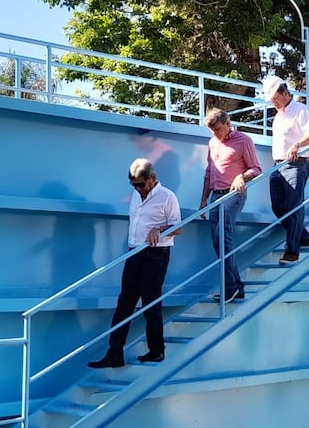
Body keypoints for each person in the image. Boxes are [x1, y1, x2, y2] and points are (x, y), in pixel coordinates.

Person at [88, 158, 182, 368]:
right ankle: (114, 354)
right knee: (124, 304)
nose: (138, 188)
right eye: (134, 185)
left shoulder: (167, 197)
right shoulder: (135, 195)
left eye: (140, 184)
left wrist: (159, 229)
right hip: (134, 253)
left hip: (156, 255)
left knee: (150, 304)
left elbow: (178, 227)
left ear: (152, 178)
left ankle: (156, 350)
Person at [199, 108, 262, 303]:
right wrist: (203, 200)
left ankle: (230, 287)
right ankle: (236, 286)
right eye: (212, 130)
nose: (215, 134)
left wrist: (241, 176)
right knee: (217, 241)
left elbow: (257, 169)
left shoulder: (243, 140)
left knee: (222, 236)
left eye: (218, 129)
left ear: (228, 124)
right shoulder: (212, 143)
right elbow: (209, 172)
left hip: (234, 193)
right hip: (215, 195)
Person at [263, 76, 309, 264]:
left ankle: (292, 250)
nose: (274, 102)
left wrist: (298, 145)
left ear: (286, 93)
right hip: (278, 164)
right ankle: (302, 236)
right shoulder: (279, 115)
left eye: (275, 98)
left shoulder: (300, 110)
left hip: (296, 163)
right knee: (278, 205)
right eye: (271, 99)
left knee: (294, 206)